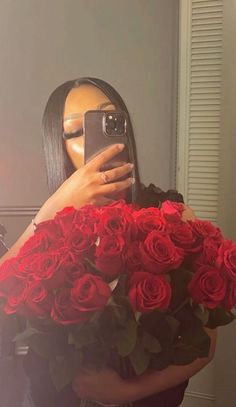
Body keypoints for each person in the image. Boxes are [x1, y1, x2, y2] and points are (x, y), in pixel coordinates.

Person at [0, 77, 217, 407]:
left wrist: (126, 393)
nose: (96, 142)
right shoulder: (49, 225)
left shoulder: (173, 217)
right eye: (75, 132)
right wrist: (50, 212)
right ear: (57, 147)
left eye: (110, 122)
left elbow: (206, 345)